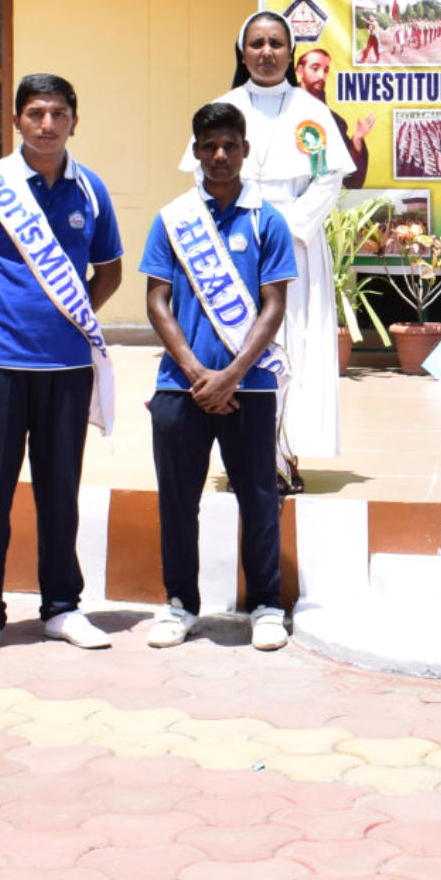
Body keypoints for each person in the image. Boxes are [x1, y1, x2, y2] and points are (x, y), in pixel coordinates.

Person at [0, 73, 123, 660]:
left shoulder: (91, 190)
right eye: (36, 113)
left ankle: (62, 607)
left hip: (66, 368)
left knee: (60, 492)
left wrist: (67, 321)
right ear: (17, 119)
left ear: (75, 121)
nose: (47, 124)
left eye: (59, 113)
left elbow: (110, 272)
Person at [142, 101, 298, 651]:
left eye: (230, 144)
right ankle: (180, 603)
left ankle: (266, 605)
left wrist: (231, 374)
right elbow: (156, 301)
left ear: (245, 149)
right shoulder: (173, 218)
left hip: (248, 387)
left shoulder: (266, 220)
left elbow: (274, 305)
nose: (220, 155)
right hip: (179, 386)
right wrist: (197, 372)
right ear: (196, 152)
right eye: (209, 146)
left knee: (258, 497)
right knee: (177, 500)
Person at [181, 12, 349, 492]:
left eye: (277, 43)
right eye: (257, 43)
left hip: (294, 247)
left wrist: (283, 229)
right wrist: (238, 228)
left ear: (290, 53)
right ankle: (252, 458)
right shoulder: (223, 108)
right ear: (243, 51)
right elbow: (202, 174)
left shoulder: (311, 111)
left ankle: (283, 452)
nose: (267, 52)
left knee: (293, 347)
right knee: (241, 346)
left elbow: (329, 178)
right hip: (233, 246)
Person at [294, 47, 372, 189]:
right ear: (300, 71)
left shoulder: (336, 122)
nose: (321, 75)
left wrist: (357, 139)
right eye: (315, 68)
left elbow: (351, 178)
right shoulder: (282, 108)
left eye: (326, 70)